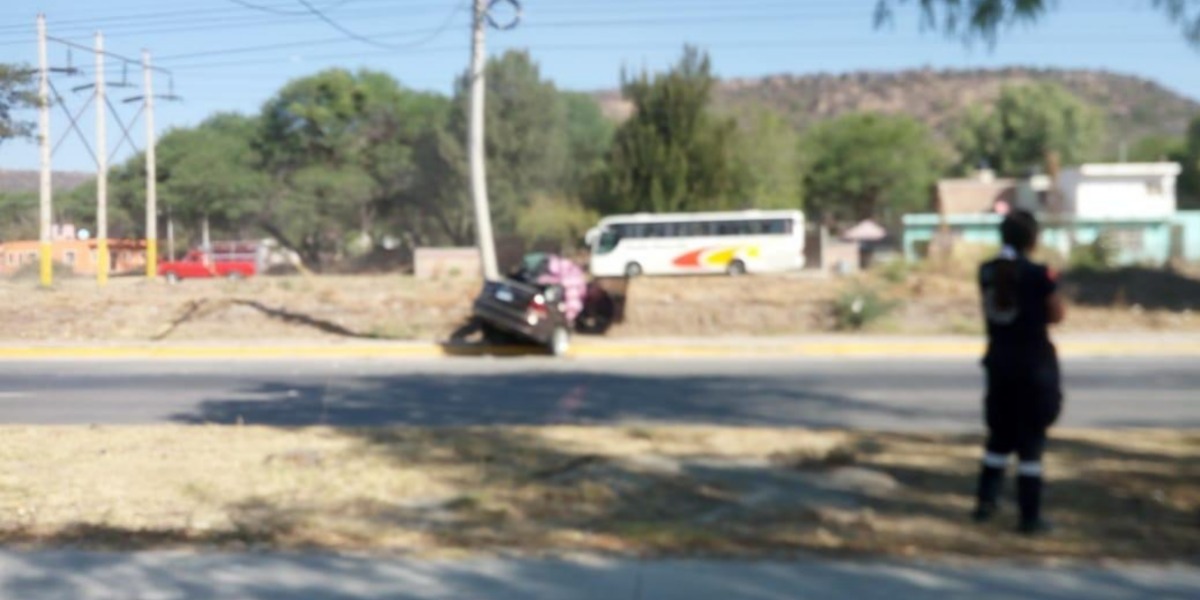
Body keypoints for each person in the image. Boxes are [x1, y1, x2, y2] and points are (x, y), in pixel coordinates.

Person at [973, 209, 1066, 535]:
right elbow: (1056, 315)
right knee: (1030, 444)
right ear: (1033, 238)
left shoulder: (986, 271)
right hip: (1034, 365)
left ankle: (985, 502)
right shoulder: (1040, 274)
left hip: (999, 361)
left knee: (999, 436)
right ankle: (1030, 515)